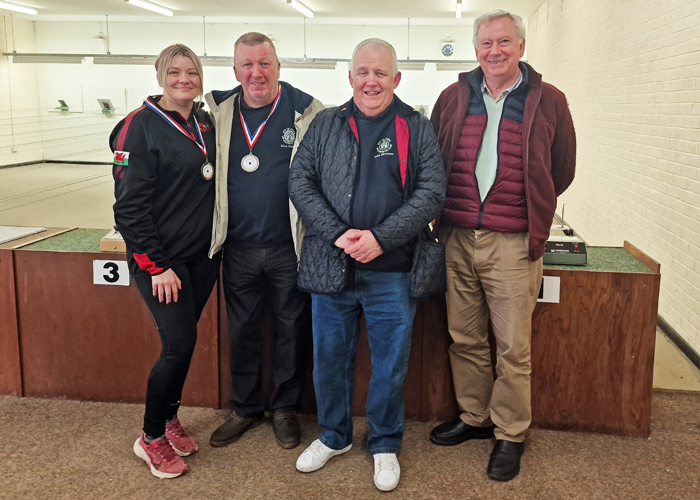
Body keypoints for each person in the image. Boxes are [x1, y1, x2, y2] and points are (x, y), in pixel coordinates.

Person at [289, 38, 446, 492]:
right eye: (363, 72)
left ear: (396, 79)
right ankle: (334, 436)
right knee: (329, 362)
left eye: (381, 73)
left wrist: (380, 238)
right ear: (351, 77)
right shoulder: (324, 125)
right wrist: (339, 233)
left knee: (390, 365)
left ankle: (383, 443)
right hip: (330, 268)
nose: (371, 81)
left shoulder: (417, 127)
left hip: (393, 272)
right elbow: (301, 182)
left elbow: (431, 193)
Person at [429, 10, 576, 482]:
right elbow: (434, 157)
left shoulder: (549, 100)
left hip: (513, 241)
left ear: (521, 47)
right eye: (487, 43)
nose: (495, 51)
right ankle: (475, 417)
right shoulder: (452, 98)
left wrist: (529, 207)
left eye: (505, 42)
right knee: (465, 336)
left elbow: (562, 168)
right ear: (475, 50)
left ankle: (510, 432)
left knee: (513, 346)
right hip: (455, 235)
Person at [206, 33, 324, 450]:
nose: (256, 73)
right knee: (242, 330)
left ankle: (285, 409)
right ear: (235, 70)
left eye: (264, 63)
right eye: (247, 65)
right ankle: (245, 407)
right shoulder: (216, 114)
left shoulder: (307, 112)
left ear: (278, 65)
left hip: (288, 247)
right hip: (237, 246)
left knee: (293, 329)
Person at [110, 44, 220, 479]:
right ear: (160, 75)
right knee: (177, 346)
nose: (183, 80)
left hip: (199, 258)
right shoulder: (138, 127)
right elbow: (128, 209)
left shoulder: (204, 120)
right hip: (162, 264)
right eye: (174, 72)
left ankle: (170, 416)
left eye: (191, 72)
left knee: (185, 342)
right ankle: (151, 436)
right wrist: (155, 266)